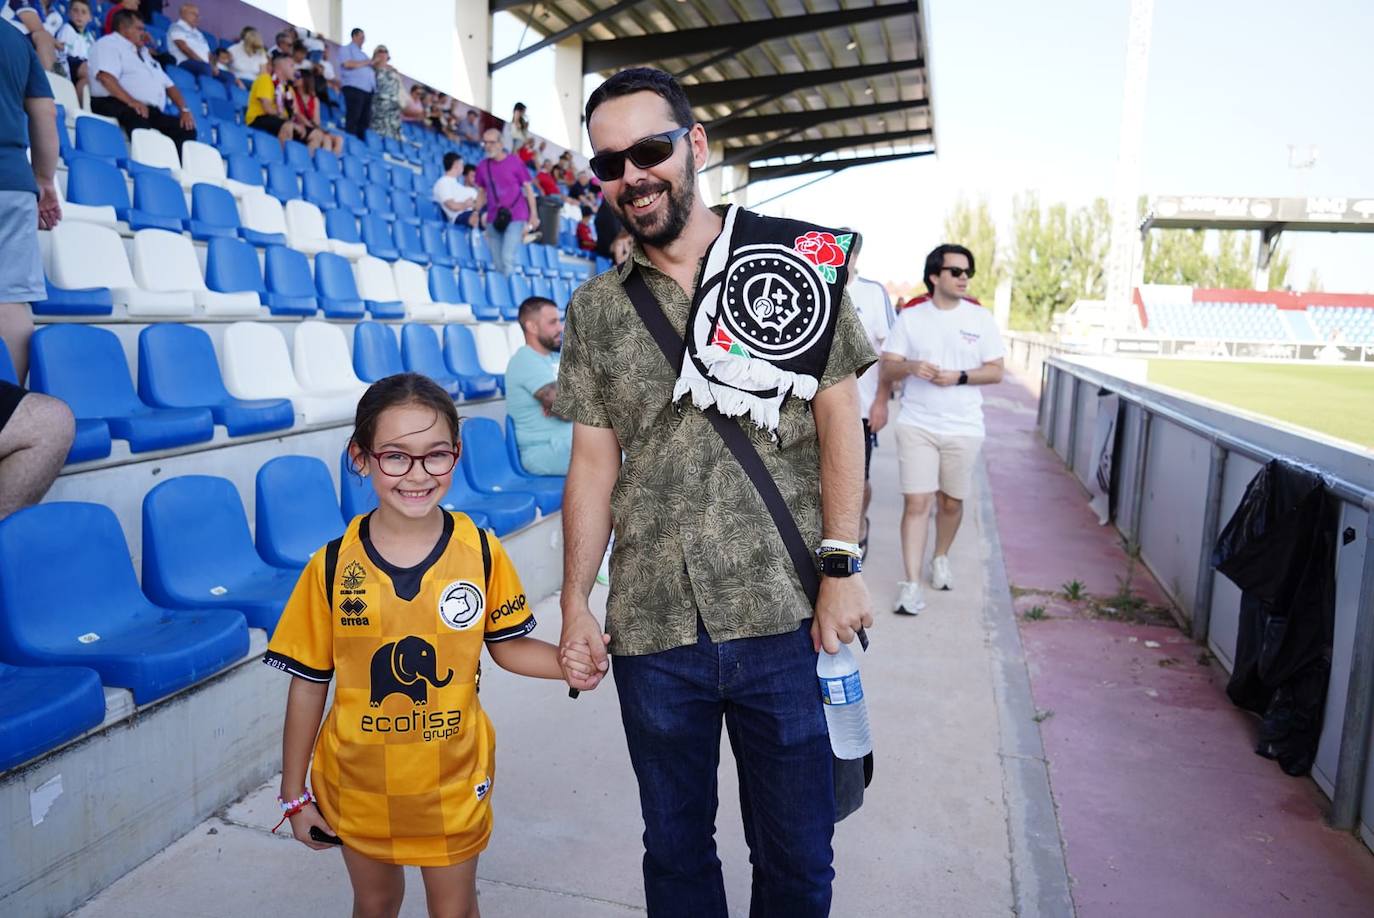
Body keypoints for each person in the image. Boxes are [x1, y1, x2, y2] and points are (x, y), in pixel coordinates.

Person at [554, 67, 874, 917]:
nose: (632, 176)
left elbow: (844, 416)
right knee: (677, 856)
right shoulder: (594, 310)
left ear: (695, 146)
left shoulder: (794, 260)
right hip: (654, 629)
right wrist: (577, 603)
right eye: (609, 163)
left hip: (787, 617)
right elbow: (592, 464)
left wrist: (842, 567)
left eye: (650, 150)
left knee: (799, 859)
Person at [266, 373, 592, 918]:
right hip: (356, 786)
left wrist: (568, 663)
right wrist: (295, 794)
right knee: (375, 902)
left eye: (435, 455)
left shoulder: (482, 554)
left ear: (457, 455)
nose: (417, 475)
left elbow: (508, 648)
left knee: (454, 909)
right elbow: (307, 685)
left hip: (452, 783)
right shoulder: (328, 568)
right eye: (395, 456)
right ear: (361, 458)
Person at [869, 243, 1005, 615]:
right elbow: (888, 367)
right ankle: (911, 584)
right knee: (917, 502)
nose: (964, 279)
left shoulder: (981, 319)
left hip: (964, 426)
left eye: (967, 273)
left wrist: (960, 376)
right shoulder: (912, 319)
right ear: (935, 276)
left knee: (951, 501)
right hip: (918, 424)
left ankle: (940, 556)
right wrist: (911, 367)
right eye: (956, 272)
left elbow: (996, 370)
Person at [0, 20, 74, 519]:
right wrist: (45, 178)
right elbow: (42, 115)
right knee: (9, 299)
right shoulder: (11, 37)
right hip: (8, 179)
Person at [844, 231, 894, 557]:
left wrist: (881, 401)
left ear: (855, 256)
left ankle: (858, 528)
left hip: (860, 409)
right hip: (812, 407)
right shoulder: (817, 285)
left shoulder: (873, 293)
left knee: (856, 481)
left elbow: (891, 353)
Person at [88, 9, 195, 152]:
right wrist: (131, 101)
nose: (144, 33)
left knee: (185, 128)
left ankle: (174, 171)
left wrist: (184, 109)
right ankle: (145, 166)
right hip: (113, 101)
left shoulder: (144, 53)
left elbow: (170, 86)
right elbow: (105, 77)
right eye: (139, 29)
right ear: (123, 28)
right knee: (138, 115)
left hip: (145, 108)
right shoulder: (109, 44)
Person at [505, 297, 571, 476]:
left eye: (559, 321)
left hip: (570, 443)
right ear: (532, 327)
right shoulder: (525, 360)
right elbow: (566, 410)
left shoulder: (555, 358)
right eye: (553, 322)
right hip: (545, 450)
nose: (561, 328)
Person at [471, 127, 537, 275]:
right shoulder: (482, 166)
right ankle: (504, 292)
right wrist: (476, 211)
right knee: (497, 262)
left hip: (516, 216)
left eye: (492, 142)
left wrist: (534, 214)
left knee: (507, 258)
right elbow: (481, 192)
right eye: (485, 143)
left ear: (501, 143)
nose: (488, 146)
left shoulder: (515, 162)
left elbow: (528, 189)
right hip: (493, 218)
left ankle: (509, 295)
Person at [245, 52, 305, 151]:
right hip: (258, 118)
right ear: (281, 67)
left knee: (314, 135)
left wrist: (297, 124)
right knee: (288, 126)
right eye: (292, 66)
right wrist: (291, 123)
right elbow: (268, 108)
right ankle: (281, 161)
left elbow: (294, 112)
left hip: (279, 120)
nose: (294, 70)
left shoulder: (288, 89)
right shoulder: (265, 79)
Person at [166, 3, 232, 86]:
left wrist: (213, 66)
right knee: (205, 68)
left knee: (229, 77)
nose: (197, 17)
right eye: (193, 14)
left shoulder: (199, 33)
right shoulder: (176, 27)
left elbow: (208, 54)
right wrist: (204, 63)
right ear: (183, 14)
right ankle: (206, 94)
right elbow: (184, 48)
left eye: (198, 15)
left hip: (204, 65)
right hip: (184, 62)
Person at [51, 0, 96, 104]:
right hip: (68, 63)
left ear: (90, 18)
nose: (79, 15)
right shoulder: (66, 29)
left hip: (83, 67)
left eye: (84, 12)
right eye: (75, 10)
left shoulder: (90, 37)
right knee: (89, 70)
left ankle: (81, 108)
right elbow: (62, 53)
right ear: (69, 13)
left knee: (86, 81)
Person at [290, 71, 341, 155]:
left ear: (305, 80)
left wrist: (316, 127)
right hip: (299, 124)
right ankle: (314, 162)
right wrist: (311, 126)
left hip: (311, 127)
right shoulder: (293, 93)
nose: (294, 78)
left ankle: (329, 163)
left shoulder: (314, 99)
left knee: (338, 139)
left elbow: (316, 121)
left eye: (298, 76)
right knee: (324, 138)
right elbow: (297, 113)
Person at [337, 26, 373, 140]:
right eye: (361, 37)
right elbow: (348, 64)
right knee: (353, 116)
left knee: (364, 121)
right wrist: (368, 62)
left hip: (367, 90)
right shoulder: (346, 49)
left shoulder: (363, 55)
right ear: (354, 36)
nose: (363, 40)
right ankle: (350, 142)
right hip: (354, 87)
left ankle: (359, 145)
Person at [7, 0, 58, 71]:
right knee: (43, 37)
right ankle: (51, 77)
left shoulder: (54, 11)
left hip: (30, 46)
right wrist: (57, 43)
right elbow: (36, 28)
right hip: (11, 39)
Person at [368, 45, 402, 141]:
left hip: (393, 107)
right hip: (379, 105)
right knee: (378, 132)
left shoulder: (393, 70)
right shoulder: (371, 68)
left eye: (385, 51)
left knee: (393, 134)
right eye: (380, 51)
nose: (383, 53)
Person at [432, 151, 476, 225]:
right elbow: (452, 205)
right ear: (456, 164)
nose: (463, 166)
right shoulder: (443, 182)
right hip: (460, 216)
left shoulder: (457, 185)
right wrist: (466, 204)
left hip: (470, 213)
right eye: (462, 164)